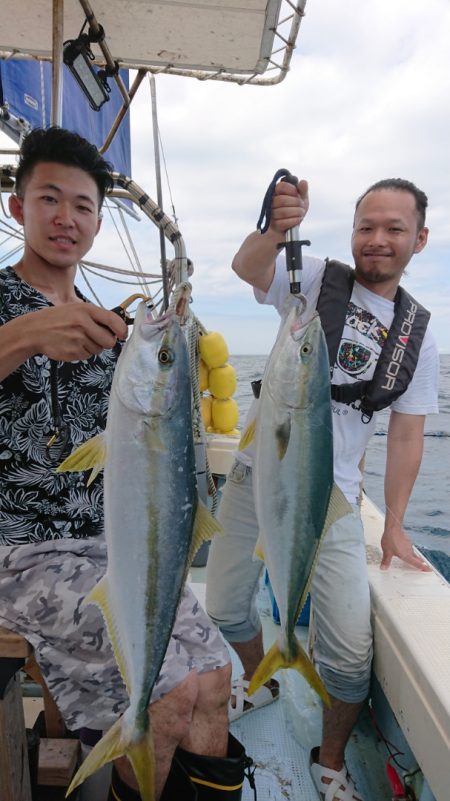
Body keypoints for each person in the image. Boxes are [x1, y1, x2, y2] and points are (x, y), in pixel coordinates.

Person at [0, 127, 245, 801]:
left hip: (118, 544)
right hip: (23, 551)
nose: (65, 218)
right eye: (49, 199)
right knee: (167, 695)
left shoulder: (112, 328)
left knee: (215, 677)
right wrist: (21, 336)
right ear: (18, 208)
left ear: (97, 222)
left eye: (82, 205)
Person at [206, 176, 439, 801]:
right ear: (353, 231)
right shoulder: (313, 280)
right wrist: (277, 228)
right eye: (367, 226)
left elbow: (408, 436)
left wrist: (393, 521)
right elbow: (246, 264)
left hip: (330, 499)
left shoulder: (418, 333)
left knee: (350, 658)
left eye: (394, 229)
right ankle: (264, 674)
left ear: (420, 238)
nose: (378, 240)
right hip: (257, 476)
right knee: (226, 606)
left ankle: (329, 756)